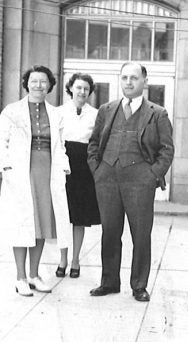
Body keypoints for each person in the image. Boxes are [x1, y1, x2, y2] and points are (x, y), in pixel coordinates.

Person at [87, 62, 174, 301]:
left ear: (144, 81)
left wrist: (151, 175)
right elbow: (94, 143)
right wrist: (97, 169)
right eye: (124, 77)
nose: (128, 82)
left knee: (141, 234)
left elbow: (167, 150)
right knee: (110, 232)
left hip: (140, 182)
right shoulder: (106, 109)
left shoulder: (157, 113)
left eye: (134, 78)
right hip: (107, 179)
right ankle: (109, 282)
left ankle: (138, 285)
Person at [0, 65, 71, 296]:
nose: (38, 85)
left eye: (43, 81)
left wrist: (63, 168)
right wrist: (6, 167)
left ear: (50, 85)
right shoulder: (11, 111)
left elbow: (60, 145)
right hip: (21, 172)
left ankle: (34, 274)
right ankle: (20, 277)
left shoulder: (56, 113)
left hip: (47, 172)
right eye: (34, 81)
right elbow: (2, 141)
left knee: (41, 223)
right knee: (22, 223)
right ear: (26, 84)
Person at [55, 73, 100, 279]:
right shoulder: (58, 112)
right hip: (64, 165)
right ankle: (62, 260)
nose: (82, 92)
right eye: (78, 87)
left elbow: (97, 143)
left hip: (84, 169)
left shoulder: (96, 114)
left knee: (79, 218)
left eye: (86, 89)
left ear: (90, 92)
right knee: (63, 215)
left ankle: (75, 260)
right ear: (71, 88)